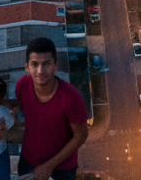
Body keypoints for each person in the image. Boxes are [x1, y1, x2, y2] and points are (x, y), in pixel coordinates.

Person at [14, 38, 88, 180]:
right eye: (35, 64)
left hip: (62, 169)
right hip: (28, 160)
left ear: (55, 65)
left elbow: (81, 135)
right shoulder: (22, 85)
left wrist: (49, 165)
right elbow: (23, 109)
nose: (40, 71)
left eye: (46, 64)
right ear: (26, 66)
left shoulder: (71, 97)